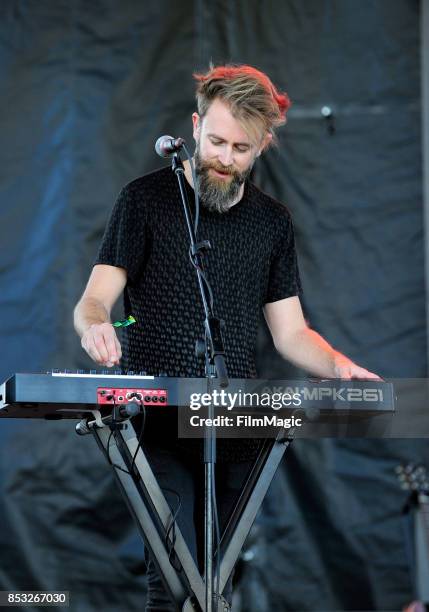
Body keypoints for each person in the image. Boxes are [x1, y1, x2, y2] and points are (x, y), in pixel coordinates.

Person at [73, 64, 379, 611]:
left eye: (241, 148)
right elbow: (95, 300)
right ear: (194, 127)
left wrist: (337, 365)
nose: (224, 157)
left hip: (234, 423)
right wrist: (98, 324)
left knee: (218, 585)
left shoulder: (272, 223)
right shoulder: (144, 201)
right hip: (156, 418)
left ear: (262, 146)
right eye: (215, 141)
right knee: (173, 582)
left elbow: (291, 333)